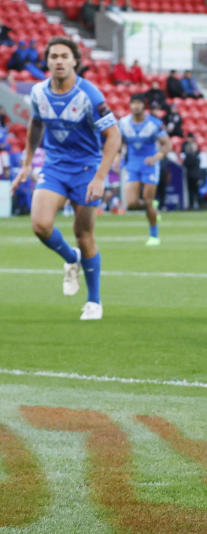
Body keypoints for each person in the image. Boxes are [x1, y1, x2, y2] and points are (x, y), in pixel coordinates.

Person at [10, 37, 121, 321]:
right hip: (56, 167)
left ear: (75, 61)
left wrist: (100, 177)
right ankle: (71, 259)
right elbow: (36, 123)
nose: (59, 61)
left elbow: (113, 136)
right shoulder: (37, 92)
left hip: (86, 169)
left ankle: (94, 301)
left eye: (64, 56)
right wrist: (25, 163)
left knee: (84, 235)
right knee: (40, 225)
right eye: (54, 56)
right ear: (47, 61)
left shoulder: (90, 95)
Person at [118, 94, 171, 246]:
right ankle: (152, 208)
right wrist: (117, 157)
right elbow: (118, 141)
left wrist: (157, 157)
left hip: (150, 165)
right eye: (132, 103)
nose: (135, 106)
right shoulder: (123, 123)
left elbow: (167, 144)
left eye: (138, 103)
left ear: (144, 106)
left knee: (147, 199)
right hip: (133, 165)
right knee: (131, 203)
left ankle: (154, 235)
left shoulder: (154, 123)